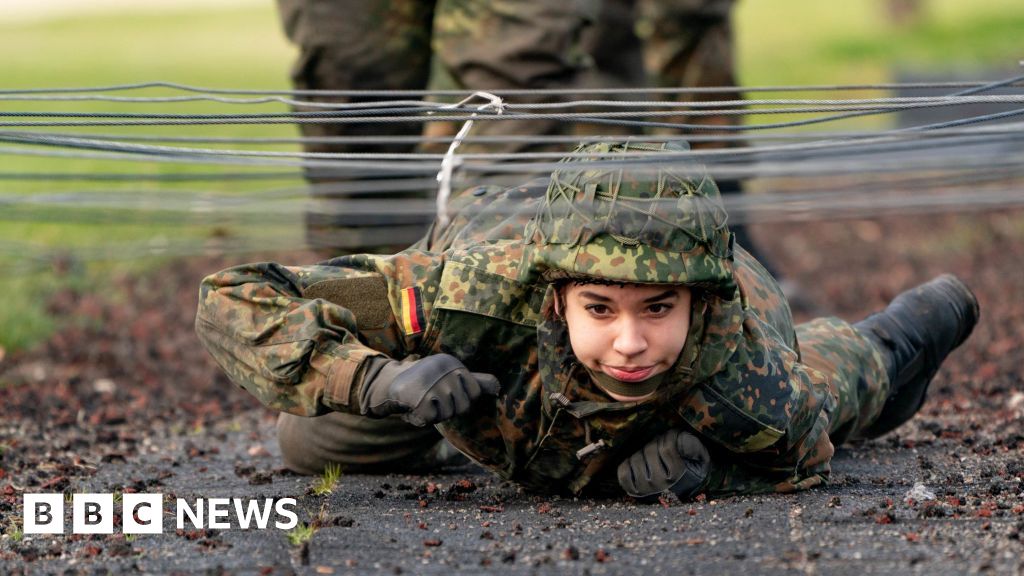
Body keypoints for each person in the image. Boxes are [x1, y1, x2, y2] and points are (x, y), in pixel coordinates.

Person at [195, 141, 978, 500]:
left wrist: (711, 471)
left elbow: (805, 456)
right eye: (600, 310)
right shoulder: (467, 297)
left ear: (697, 304)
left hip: (738, 342)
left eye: (657, 310)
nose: (630, 342)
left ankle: (900, 330)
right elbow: (232, 296)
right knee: (304, 439)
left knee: (850, 383)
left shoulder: (741, 374)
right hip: (481, 363)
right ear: (554, 296)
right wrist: (379, 379)